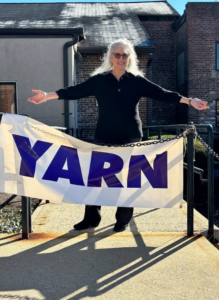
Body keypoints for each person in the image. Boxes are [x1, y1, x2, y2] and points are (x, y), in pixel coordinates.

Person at [27, 38, 209, 232]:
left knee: (126, 179)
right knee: (96, 178)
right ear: (110, 57)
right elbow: (75, 91)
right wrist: (47, 96)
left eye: (125, 54)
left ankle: (122, 219)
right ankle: (91, 218)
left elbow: (162, 93)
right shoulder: (99, 80)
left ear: (129, 57)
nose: (121, 58)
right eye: (117, 54)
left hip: (130, 136)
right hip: (104, 135)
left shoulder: (137, 81)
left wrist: (189, 101)